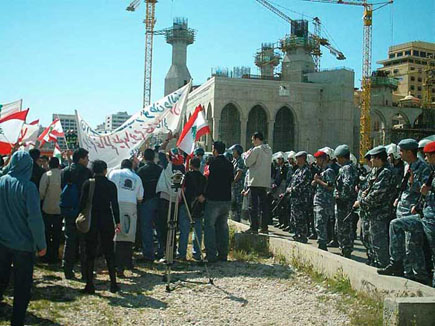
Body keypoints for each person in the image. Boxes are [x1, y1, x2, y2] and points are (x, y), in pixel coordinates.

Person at [0, 151, 46, 326]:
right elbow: (34, 219)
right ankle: (17, 321)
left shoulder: (1, 182)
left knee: (1, 280)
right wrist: (41, 244)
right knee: (22, 286)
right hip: (24, 246)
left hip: (2, 242)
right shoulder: (28, 187)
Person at [378, 139, 431, 284]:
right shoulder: (408, 166)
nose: (399, 154)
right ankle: (405, 271)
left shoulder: (423, 167)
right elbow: (405, 187)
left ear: (409, 152)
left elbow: (424, 190)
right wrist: (399, 198)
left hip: (413, 210)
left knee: (413, 245)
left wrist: (415, 185)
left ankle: (420, 275)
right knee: (403, 242)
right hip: (402, 207)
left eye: (401, 151)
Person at [80, 160, 121, 294]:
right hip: (107, 220)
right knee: (109, 252)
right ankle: (113, 283)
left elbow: (82, 204)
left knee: (89, 252)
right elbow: (115, 205)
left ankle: (89, 284)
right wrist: (118, 221)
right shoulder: (111, 185)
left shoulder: (88, 184)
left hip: (92, 220)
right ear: (105, 170)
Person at [354, 146, 393, 268]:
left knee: (378, 240)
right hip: (371, 212)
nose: (370, 160)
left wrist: (361, 202)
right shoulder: (377, 171)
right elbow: (368, 189)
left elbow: (377, 195)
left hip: (380, 212)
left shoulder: (385, 173)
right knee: (368, 238)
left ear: (378, 158)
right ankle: (374, 261)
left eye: (372, 158)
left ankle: (382, 264)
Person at [108, 159, 144, 276]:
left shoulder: (114, 173)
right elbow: (140, 197)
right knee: (129, 235)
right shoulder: (137, 178)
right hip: (131, 206)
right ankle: (127, 263)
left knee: (116, 234)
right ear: (131, 167)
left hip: (116, 204)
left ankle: (116, 265)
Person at [61, 148, 92, 280]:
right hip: (83, 211)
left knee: (70, 240)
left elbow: (62, 189)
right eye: (86, 158)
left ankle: (67, 269)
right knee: (84, 242)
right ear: (81, 159)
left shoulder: (65, 171)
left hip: (68, 209)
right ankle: (85, 272)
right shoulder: (87, 172)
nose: (88, 160)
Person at [203, 141, 234, 262]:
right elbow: (231, 179)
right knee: (223, 227)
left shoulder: (212, 163)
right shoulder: (229, 164)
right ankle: (223, 254)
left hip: (213, 199)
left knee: (209, 226)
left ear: (215, 150)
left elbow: (208, 180)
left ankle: (211, 255)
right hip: (226, 198)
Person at [243, 132, 273, 234]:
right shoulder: (269, 150)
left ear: (256, 139)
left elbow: (247, 162)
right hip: (264, 181)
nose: (252, 142)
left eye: (253, 140)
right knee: (263, 205)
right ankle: (264, 226)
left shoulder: (256, 150)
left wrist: (246, 155)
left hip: (255, 181)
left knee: (253, 205)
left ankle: (254, 227)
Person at [177, 157, 206, 260]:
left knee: (184, 231)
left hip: (186, 204)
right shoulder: (203, 178)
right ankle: (197, 253)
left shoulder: (187, 175)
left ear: (191, 165)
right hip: (198, 206)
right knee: (197, 231)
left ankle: (182, 254)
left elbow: (183, 189)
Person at [137, 148, 163, 262]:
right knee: (160, 227)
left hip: (146, 201)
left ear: (144, 157)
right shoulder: (160, 170)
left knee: (146, 228)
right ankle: (162, 251)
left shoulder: (141, 171)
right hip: (159, 200)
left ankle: (148, 254)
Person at [415, 141, 435, 287]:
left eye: (427, 156)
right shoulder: (432, 170)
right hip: (428, 217)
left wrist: (428, 193)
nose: (426, 159)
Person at [334, 144, 358, 258]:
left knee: (343, 226)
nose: (337, 160)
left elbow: (347, 185)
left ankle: (346, 249)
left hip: (345, 203)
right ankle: (345, 248)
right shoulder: (351, 167)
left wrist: (341, 197)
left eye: (338, 158)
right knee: (345, 226)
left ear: (343, 157)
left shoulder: (346, 168)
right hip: (348, 201)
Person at [39, 157, 62, 264]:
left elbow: (41, 193)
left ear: (49, 164)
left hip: (47, 208)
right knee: (57, 233)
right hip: (60, 209)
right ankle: (56, 255)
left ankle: (47, 255)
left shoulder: (46, 175)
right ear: (58, 165)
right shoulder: (62, 175)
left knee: (47, 233)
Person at [312, 150, 335, 250]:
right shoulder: (321, 171)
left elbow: (330, 186)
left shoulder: (329, 171)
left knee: (321, 222)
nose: (316, 161)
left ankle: (322, 243)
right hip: (319, 200)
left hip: (325, 202)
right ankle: (321, 241)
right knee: (318, 222)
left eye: (318, 159)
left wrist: (318, 181)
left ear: (323, 160)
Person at [287, 151, 312, 243]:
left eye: (297, 158)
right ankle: (297, 234)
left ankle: (302, 235)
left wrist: (292, 189)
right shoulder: (297, 170)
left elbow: (303, 184)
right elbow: (292, 182)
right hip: (294, 199)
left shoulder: (306, 171)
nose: (295, 160)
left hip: (302, 199)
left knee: (301, 218)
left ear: (302, 159)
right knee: (294, 218)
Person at [229, 144, 246, 222]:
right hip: (234, 186)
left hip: (238, 186)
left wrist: (233, 181)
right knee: (233, 203)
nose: (233, 152)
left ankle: (238, 219)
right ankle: (234, 218)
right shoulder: (234, 161)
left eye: (234, 151)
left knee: (238, 203)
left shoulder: (240, 161)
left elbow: (239, 173)